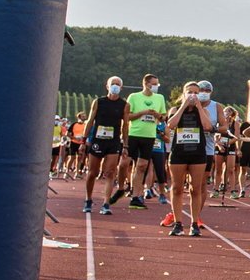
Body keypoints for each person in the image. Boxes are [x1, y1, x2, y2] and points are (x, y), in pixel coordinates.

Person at [162, 82, 211, 236]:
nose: (193, 95)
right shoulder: (175, 110)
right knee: (176, 188)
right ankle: (177, 223)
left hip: (197, 153)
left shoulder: (203, 111)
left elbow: (207, 126)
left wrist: (198, 107)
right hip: (179, 153)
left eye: (196, 93)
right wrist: (183, 106)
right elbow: (170, 125)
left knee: (195, 188)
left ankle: (195, 223)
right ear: (183, 94)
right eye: (190, 92)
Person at [120, 72, 167, 209]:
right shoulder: (134, 97)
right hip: (134, 134)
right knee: (125, 163)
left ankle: (136, 196)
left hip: (149, 136)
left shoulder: (160, 98)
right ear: (146, 84)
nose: (156, 86)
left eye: (157, 84)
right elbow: (127, 116)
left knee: (141, 166)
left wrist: (157, 115)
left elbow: (163, 117)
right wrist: (143, 113)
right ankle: (121, 186)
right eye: (154, 84)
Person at [81, 78, 128, 213]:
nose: (115, 87)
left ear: (121, 88)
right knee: (92, 173)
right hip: (97, 140)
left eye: (118, 85)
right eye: (113, 84)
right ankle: (88, 199)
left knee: (110, 173)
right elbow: (90, 121)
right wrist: (83, 141)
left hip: (113, 142)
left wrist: (125, 145)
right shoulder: (99, 102)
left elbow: (125, 126)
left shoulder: (124, 105)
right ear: (107, 86)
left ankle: (106, 203)